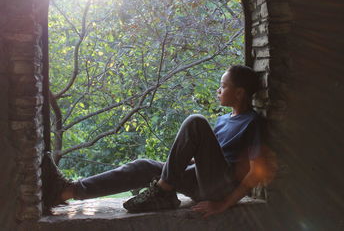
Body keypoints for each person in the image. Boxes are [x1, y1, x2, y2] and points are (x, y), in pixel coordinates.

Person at [43, 64, 276, 217]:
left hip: (221, 189)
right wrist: (173, 165)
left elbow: (256, 173)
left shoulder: (252, 123)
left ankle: (162, 192)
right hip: (200, 180)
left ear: (240, 93)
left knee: (195, 121)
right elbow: (203, 157)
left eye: (224, 86)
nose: (218, 90)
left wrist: (223, 205)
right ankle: (68, 191)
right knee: (143, 166)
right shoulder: (224, 120)